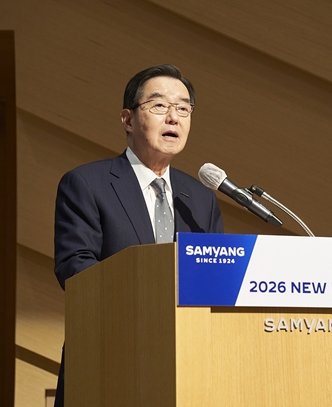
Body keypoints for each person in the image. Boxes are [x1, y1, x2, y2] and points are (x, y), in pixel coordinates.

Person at [52, 64, 224, 406]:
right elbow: (75, 268)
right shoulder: (87, 184)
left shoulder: (200, 197)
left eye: (183, 108)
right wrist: (149, 297)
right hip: (110, 357)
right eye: (159, 105)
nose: (173, 117)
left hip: (187, 363)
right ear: (127, 120)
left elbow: (215, 277)